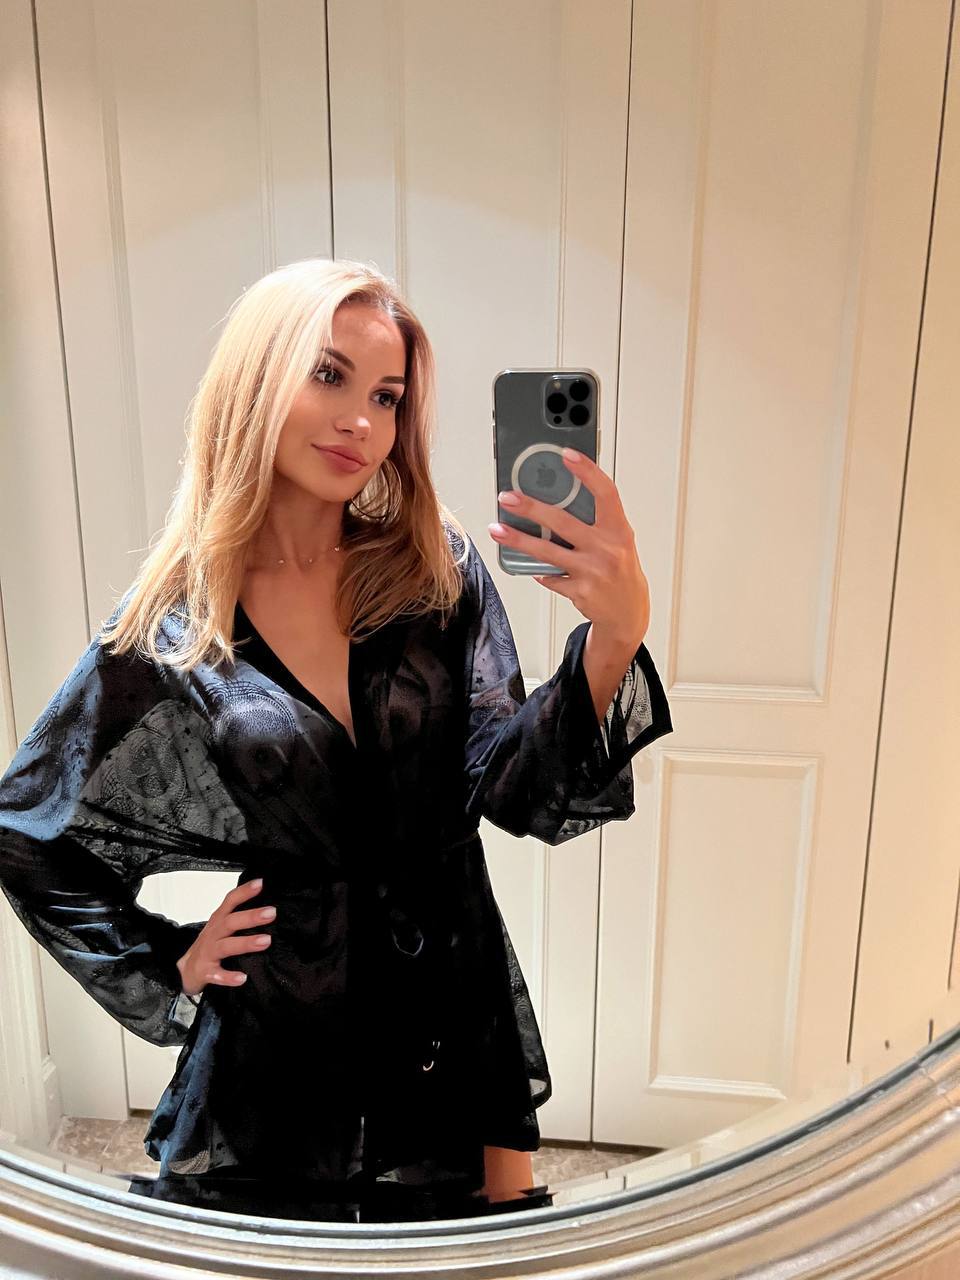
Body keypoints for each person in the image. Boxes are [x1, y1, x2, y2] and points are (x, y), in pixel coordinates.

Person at [0, 257, 673, 1211]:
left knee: (474, 1254)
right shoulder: (181, 623)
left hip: (451, 998)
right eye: (329, 376)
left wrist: (614, 638)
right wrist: (168, 957)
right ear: (256, 379)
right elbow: (26, 829)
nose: (362, 420)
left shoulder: (434, 570)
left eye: (387, 396)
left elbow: (516, 790)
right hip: (284, 1025)